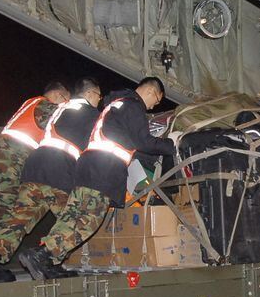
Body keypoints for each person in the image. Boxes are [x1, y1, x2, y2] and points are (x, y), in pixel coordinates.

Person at [18, 77, 176, 279]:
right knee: (89, 220)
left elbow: (129, 143)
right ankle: (44, 253)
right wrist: (173, 145)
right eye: (157, 99)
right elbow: (143, 142)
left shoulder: (114, 106)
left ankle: (47, 258)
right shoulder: (133, 106)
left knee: (73, 216)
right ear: (151, 91)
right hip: (104, 170)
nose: (155, 104)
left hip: (86, 168)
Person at [0, 78, 102, 283]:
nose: (100, 100)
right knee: (76, 219)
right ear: (89, 94)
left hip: (34, 169)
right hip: (59, 170)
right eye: (98, 95)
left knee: (17, 221)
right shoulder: (88, 113)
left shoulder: (57, 110)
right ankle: (46, 259)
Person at [0, 82, 71, 273]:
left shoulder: (29, 104)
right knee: (9, 214)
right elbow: (64, 125)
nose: (65, 104)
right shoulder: (46, 106)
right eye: (65, 100)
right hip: (10, 165)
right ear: (58, 95)